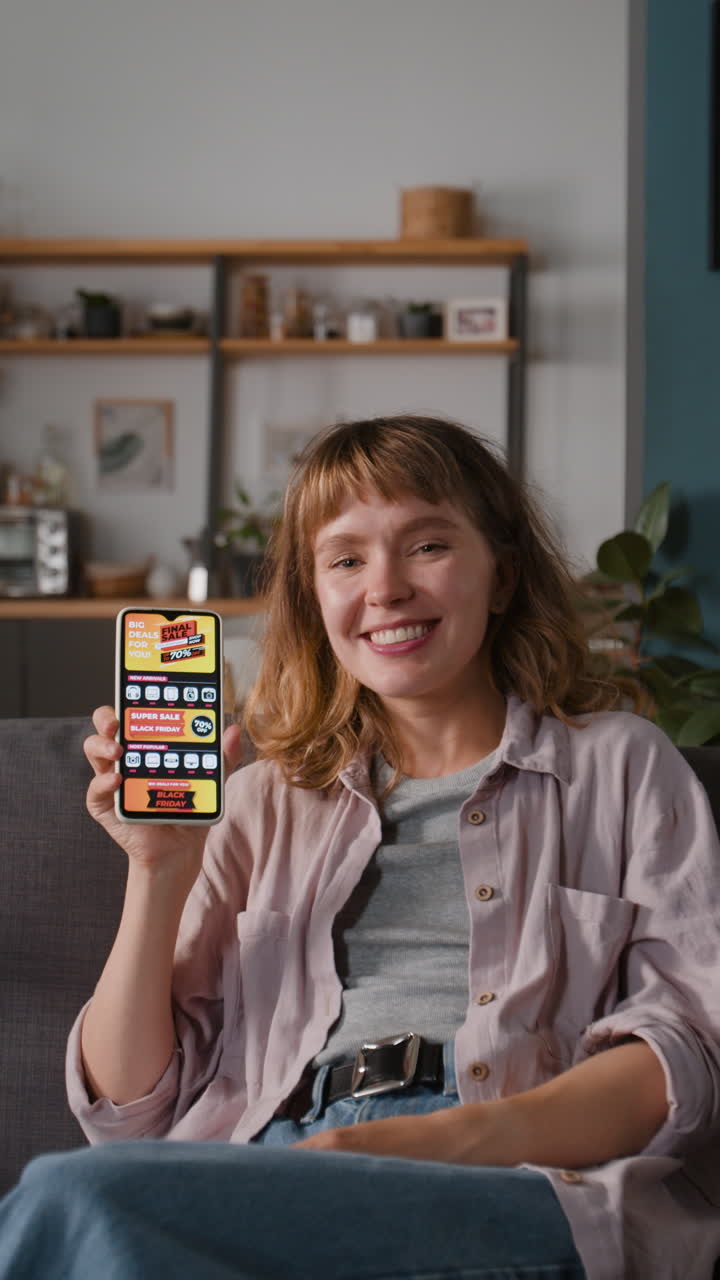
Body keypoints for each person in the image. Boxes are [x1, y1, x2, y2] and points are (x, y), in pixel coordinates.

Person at [1, 414, 719, 1280]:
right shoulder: (260, 804)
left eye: (426, 546)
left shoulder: (622, 766)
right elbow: (126, 1110)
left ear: (502, 576)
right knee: (80, 1198)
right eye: (345, 559)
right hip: (274, 1161)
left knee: (72, 1205)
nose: (384, 589)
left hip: (515, 1176)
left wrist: (427, 1139)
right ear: (316, 602)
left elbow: (684, 1052)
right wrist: (157, 868)